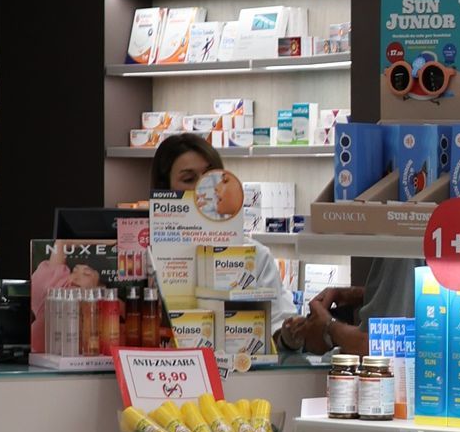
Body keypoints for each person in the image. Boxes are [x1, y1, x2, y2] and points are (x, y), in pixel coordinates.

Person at [150, 133, 370, 356]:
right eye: (189, 179)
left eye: (212, 177)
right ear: (164, 189)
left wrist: (290, 334)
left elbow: (278, 325)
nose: (203, 188)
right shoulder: (146, 255)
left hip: (241, 372)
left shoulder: (252, 254)